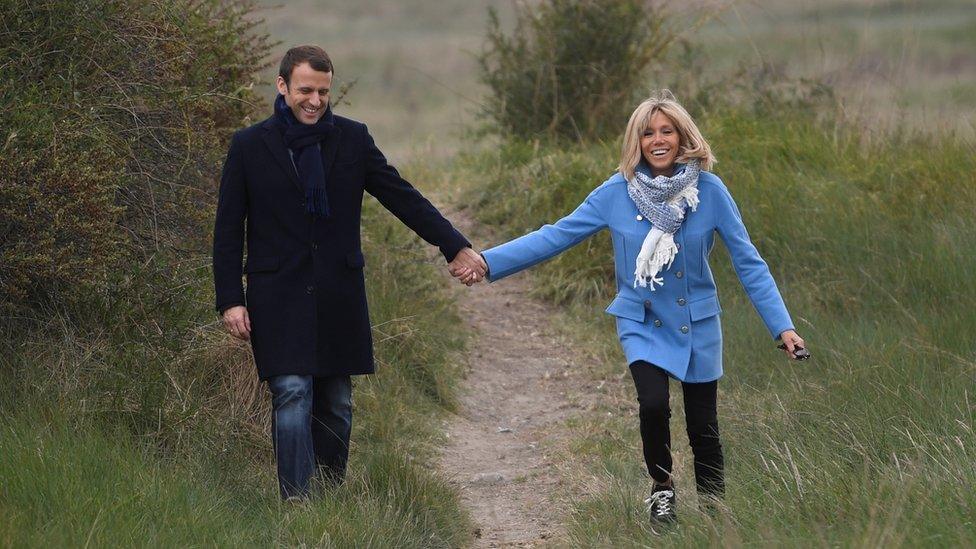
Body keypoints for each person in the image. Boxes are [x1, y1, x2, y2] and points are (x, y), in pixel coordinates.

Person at [453, 90, 806, 524]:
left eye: (667, 131)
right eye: (647, 133)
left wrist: (782, 327)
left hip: (697, 321)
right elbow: (555, 235)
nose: (658, 141)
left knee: (704, 428)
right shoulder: (615, 192)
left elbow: (749, 262)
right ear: (635, 142)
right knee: (653, 403)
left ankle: (716, 516)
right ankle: (662, 489)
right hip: (642, 319)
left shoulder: (710, 191)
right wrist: (489, 261)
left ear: (682, 138)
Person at [213, 45, 486, 501]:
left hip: (338, 294)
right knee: (293, 392)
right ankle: (298, 504)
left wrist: (453, 245)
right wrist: (230, 298)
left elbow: (401, 195)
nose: (315, 100)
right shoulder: (249, 146)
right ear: (282, 87)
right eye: (305, 90)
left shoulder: (352, 139)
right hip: (276, 293)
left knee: (336, 404)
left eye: (323, 91)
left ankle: (328, 494)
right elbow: (227, 228)